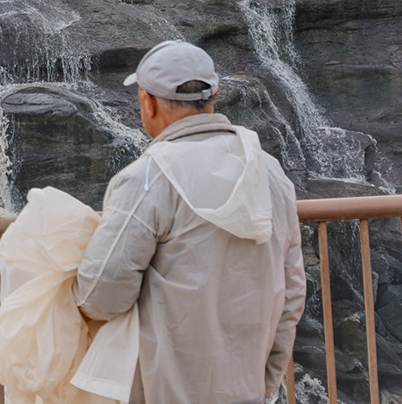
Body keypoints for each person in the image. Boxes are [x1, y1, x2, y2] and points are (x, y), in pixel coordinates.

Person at [74, 41, 302, 404]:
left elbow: (102, 294)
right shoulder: (269, 172)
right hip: (245, 392)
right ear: (215, 96)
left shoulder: (149, 178)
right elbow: (291, 293)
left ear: (147, 102)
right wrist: (264, 380)